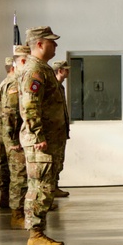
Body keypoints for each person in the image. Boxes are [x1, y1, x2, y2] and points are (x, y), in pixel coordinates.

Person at [17, 27, 66, 245]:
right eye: (51, 42)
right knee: (40, 187)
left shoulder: (43, 69)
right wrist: (37, 134)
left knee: (45, 187)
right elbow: (29, 104)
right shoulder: (35, 70)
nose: (55, 45)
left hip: (49, 139)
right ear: (39, 44)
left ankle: (38, 232)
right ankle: (35, 235)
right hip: (40, 141)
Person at [1, 46, 30, 229]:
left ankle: (20, 212)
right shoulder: (14, 84)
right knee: (19, 177)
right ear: (22, 61)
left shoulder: (19, 81)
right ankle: (16, 214)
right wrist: (13, 140)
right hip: (16, 139)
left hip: (19, 137)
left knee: (21, 176)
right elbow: (10, 113)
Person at [0, 55, 14, 209]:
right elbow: (9, 112)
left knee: (5, 163)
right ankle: (7, 196)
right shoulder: (11, 85)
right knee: (9, 165)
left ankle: (5, 195)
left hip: (4, 130)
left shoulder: (4, 83)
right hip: (8, 132)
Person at [51, 60, 71, 198]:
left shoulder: (60, 87)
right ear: (60, 71)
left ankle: (54, 187)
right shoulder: (51, 87)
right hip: (53, 131)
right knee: (52, 162)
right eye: (66, 69)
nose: (68, 72)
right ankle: (50, 189)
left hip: (60, 130)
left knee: (58, 161)